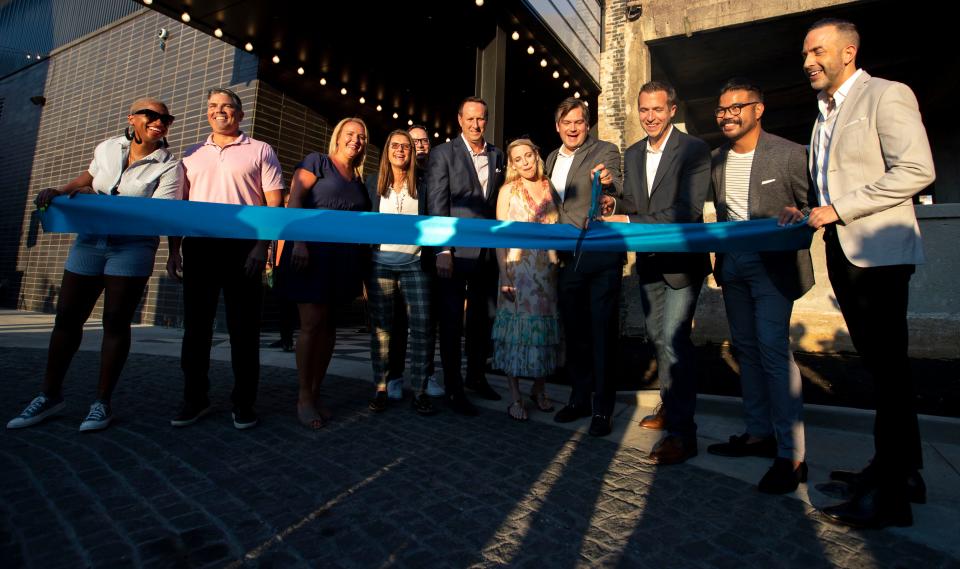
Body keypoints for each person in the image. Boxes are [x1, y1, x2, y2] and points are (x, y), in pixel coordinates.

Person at [781, 18, 935, 528]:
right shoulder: (823, 114)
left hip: (880, 255)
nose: (808, 62)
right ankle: (902, 472)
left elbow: (916, 169)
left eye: (818, 51)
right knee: (884, 370)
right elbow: (829, 184)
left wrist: (839, 208)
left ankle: (889, 500)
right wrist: (807, 209)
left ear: (849, 52)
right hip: (846, 254)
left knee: (889, 372)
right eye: (805, 54)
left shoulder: (887, 95)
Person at [7, 98, 179, 432]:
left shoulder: (169, 165)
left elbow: (161, 215)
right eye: (152, 115)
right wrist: (61, 190)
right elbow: (89, 178)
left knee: (116, 321)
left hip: (131, 248)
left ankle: (102, 402)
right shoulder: (107, 147)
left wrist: (173, 251)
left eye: (166, 119)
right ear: (132, 118)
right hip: (89, 241)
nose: (160, 121)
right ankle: (49, 395)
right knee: (68, 317)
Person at [706, 79, 815, 494]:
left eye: (736, 107)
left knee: (772, 350)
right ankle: (757, 434)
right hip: (731, 266)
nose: (727, 115)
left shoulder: (790, 154)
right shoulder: (716, 160)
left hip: (773, 267)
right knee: (745, 348)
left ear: (758, 109)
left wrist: (799, 211)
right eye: (722, 109)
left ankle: (793, 456)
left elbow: (816, 204)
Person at [603, 81, 711, 464]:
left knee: (674, 340)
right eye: (644, 110)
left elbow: (687, 213)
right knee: (656, 337)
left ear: (672, 111)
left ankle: (683, 433)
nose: (650, 117)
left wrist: (628, 217)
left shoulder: (695, 150)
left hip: (683, 264)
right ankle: (670, 405)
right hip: (649, 262)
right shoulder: (632, 154)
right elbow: (632, 201)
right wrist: (611, 200)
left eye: (657, 110)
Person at [167, 88, 284, 430]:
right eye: (213, 106)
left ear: (240, 113)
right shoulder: (190, 155)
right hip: (200, 249)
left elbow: (274, 205)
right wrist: (174, 250)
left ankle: (244, 403)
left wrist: (262, 249)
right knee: (196, 331)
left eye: (227, 106)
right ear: (207, 113)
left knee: (244, 332)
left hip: (244, 250)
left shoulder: (261, 150)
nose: (220, 112)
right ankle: (195, 399)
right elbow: (179, 208)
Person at [282, 117, 372, 429]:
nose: (355, 140)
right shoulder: (316, 162)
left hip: (344, 260)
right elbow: (295, 200)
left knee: (331, 326)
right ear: (337, 136)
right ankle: (304, 397)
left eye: (361, 137)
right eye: (350, 134)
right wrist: (299, 242)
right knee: (311, 324)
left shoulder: (359, 180)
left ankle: (317, 392)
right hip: (311, 254)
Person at [545, 97, 623, 437]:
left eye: (578, 122)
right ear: (558, 126)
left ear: (586, 125)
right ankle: (578, 399)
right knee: (575, 334)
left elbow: (615, 182)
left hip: (600, 256)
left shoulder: (605, 150)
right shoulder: (550, 158)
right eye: (567, 123)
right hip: (566, 259)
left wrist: (608, 187)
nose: (573, 128)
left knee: (601, 334)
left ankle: (602, 409)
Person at [425, 97, 506, 416]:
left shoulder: (498, 155)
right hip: (453, 253)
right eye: (470, 119)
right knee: (450, 321)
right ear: (460, 120)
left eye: (481, 119)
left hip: (486, 254)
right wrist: (443, 249)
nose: (476, 124)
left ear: (486, 120)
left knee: (482, 320)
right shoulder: (443, 154)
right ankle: (454, 388)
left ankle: (476, 377)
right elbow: (437, 204)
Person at [366, 125, 444, 399]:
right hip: (379, 265)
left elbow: (436, 221)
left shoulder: (423, 184)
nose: (400, 150)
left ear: (412, 153)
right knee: (382, 330)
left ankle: (421, 389)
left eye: (406, 146)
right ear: (387, 151)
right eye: (395, 146)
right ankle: (382, 386)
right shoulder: (372, 182)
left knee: (422, 328)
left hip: (415, 264)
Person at [493, 139, 562, 421]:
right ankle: (516, 397)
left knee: (543, 335)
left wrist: (558, 266)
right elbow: (499, 236)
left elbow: (559, 230)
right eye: (518, 158)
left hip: (547, 274)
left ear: (537, 155)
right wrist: (504, 274)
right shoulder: (508, 190)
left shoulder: (550, 187)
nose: (525, 162)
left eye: (528, 155)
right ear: (512, 163)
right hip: (516, 272)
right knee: (515, 337)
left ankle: (539, 389)